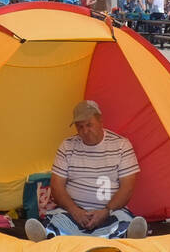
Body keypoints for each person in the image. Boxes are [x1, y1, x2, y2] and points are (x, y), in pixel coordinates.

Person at [25, 100, 148, 241]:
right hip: (72, 213)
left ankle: (128, 235)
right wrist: (75, 211)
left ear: (100, 121)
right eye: (80, 127)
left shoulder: (121, 146)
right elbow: (56, 186)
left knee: (122, 220)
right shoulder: (67, 146)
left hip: (110, 211)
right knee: (56, 220)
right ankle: (47, 235)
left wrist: (106, 211)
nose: (85, 131)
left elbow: (127, 188)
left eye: (89, 125)